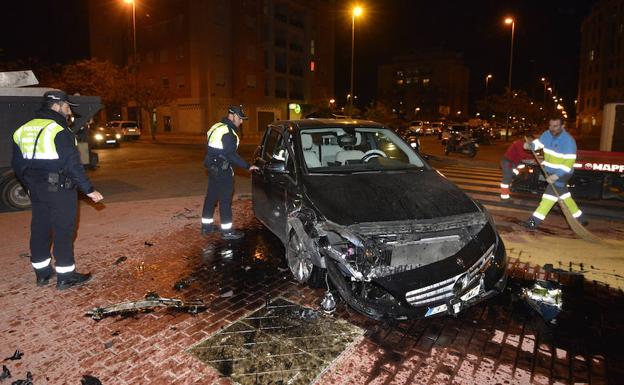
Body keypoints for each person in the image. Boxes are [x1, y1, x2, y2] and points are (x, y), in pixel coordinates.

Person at [12, 90, 104, 289]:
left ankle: (42, 274)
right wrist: (88, 190)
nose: (69, 110)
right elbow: (72, 165)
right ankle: (66, 276)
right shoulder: (59, 131)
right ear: (58, 105)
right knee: (64, 230)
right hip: (60, 189)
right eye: (68, 106)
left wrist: (30, 186)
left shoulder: (23, 129)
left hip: (36, 189)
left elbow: (17, 165)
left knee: (40, 228)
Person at [201, 105, 259, 240]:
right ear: (232, 116)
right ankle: (227, 231)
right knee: (225, 200)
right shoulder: (229, 133)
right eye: (240, 118)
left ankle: (206, 227)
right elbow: (231, 155)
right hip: (223, 170)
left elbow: (212, 146)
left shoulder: (216, 127)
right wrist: (248, 166)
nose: (241, 122)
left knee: (211, 198)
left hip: (212, 167)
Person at [523, 116, 587, 229]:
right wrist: (530, 146)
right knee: (565, 197)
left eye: (555, 126)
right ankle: (581, 219)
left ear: (563, 126)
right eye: (550, 125)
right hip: (550, 172)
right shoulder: (547, 134)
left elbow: (568, 163)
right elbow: (539, 143)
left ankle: (532, 223)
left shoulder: (568, 141)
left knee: (548, 198)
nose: (552, 128)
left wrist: (556, 176)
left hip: (562, 174)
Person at [499, 134, 534, 200]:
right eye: (531, 141)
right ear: (527, 138)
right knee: (507, 178)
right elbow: (522, 154)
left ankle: (506, 191)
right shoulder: (519, 143)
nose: (531, 142)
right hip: (507, 162)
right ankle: (504, 196)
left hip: (511, 163)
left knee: (511, 177)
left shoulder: (522, 144)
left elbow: (522, 155)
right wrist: (533, 156)